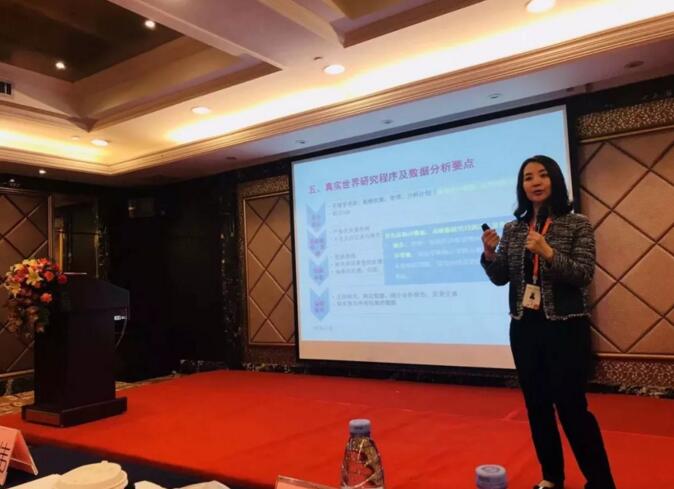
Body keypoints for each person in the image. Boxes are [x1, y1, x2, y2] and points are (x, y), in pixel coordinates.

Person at [480, 155, 616, 489]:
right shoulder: (514, 229)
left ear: (555, 179)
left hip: (566, 328)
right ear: (522, 187)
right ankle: (552, 477)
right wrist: (490, 255)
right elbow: (501, 278)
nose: (535, 182)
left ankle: (600, 482)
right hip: (525, 328)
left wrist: (548, 252)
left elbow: (583, 274)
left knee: (572, 408)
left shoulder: (576, 224)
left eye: (542, 175)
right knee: (537, 407)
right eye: (528, 178)